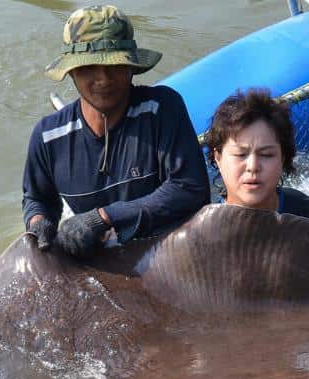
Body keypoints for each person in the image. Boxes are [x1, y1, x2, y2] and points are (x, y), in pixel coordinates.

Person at [22, 5, 210, 258]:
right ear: (71, 73)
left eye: (115, 65)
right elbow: (37, 198)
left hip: (166, 252)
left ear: (131, 66)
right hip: (97, 255)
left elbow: (189, 188)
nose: (103, 79)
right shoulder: (47, 137)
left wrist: (105, 217)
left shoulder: (162, 109)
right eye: (88, 68)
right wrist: (37, 222)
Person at [205, 89, 309, 226]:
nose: (253, 166)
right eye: (240, 154)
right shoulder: (202, 234)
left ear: (283, 158)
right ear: (218, 158)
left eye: (266, 154)